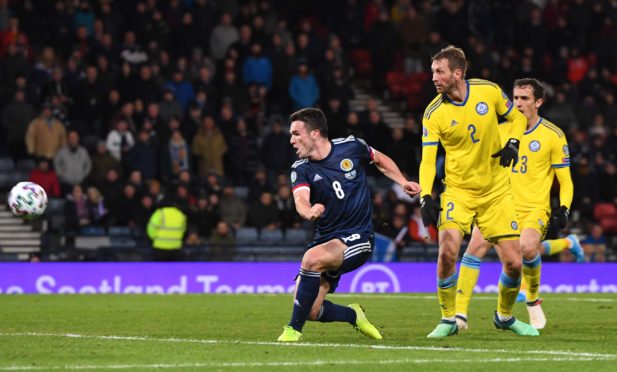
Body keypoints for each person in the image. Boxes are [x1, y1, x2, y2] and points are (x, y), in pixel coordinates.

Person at [419, 46, 538, 338]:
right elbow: (427, 159)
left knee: (513, 263)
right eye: (433, 71)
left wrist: (513, 142)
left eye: (439, 71)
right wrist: (425, 195)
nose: (433, 77)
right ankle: (448, 319)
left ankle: (505, 316)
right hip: (458, 191)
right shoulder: (434, 113)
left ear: (457, 73)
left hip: (496, 192)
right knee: (447, 252)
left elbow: (517, 119)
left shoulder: (489, 91)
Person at [277, 107, 421, 342]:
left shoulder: (351, 146)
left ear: (314, 134)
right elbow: (300, 199)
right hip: (327, 240)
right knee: (311, 310)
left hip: (359, 237)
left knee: (310, 260)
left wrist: (402, 181)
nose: (291, 140)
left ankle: (293, 329)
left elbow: (380, 159)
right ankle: (353, 315)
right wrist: (309, 210)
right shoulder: (300, 168)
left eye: (296, 134)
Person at [454, 78, 581, 331]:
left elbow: (565, 180)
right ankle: (458, 316)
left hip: (534, 208)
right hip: (498, 203)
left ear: (539, 102)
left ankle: (532, 300)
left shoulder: (553, 135)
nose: (519, 103)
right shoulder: (498, 130)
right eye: (516, 98)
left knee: (527, 248)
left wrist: (564, 207)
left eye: (525, 99)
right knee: (474, 247)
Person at [147, 195, 187, 262]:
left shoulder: (160, 213)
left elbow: (151, 229)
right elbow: (183, 230)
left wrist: (154, 238)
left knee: (160, 271)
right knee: (174, 271)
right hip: (175, 248)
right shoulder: (180, 214)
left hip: (160, 248)